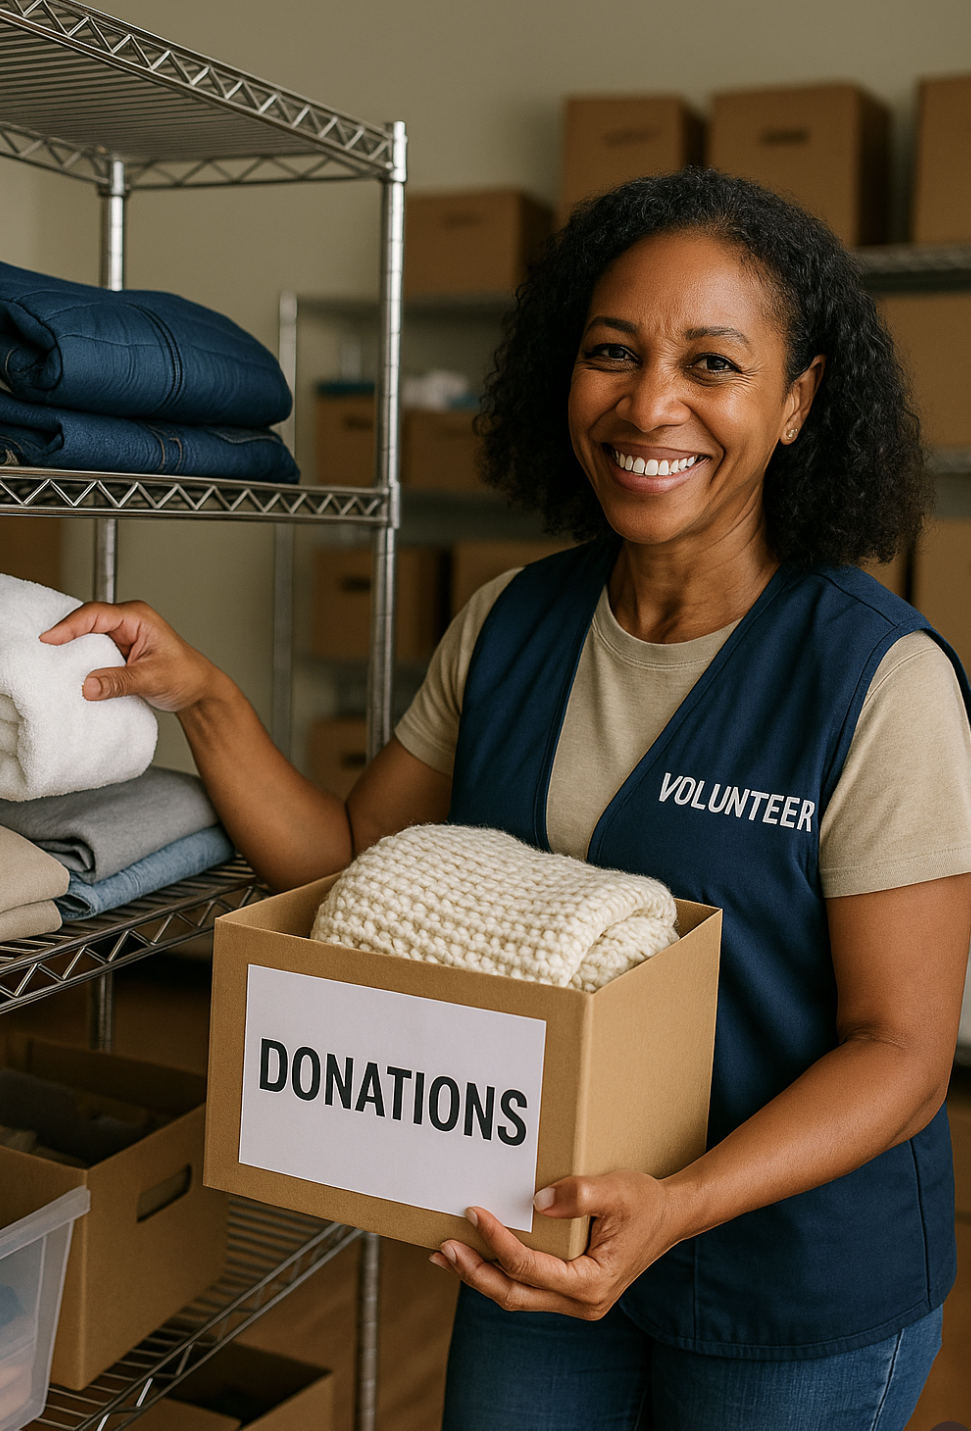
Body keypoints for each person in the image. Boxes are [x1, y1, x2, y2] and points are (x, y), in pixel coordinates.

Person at [43, 169, 971, 1430]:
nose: (649, 404)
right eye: (610, 352)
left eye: (712, 364)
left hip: (785, 1283)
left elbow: (902, 1056)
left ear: (798, 398)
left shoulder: (875, 676)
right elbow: (351, 856)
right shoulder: (513, 621)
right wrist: (201, 697)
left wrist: (679, 1207)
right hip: (533, 1229)